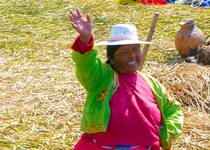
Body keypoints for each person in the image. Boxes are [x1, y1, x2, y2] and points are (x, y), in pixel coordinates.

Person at [69, 8, 184, 150]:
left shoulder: (150, 83)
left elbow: (173, 109)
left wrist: (165, 134)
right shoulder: (101, 78)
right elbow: (86, 64)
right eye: (124, 52)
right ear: (111, 58)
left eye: (135, 49)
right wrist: (85, 39)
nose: (132, 56)